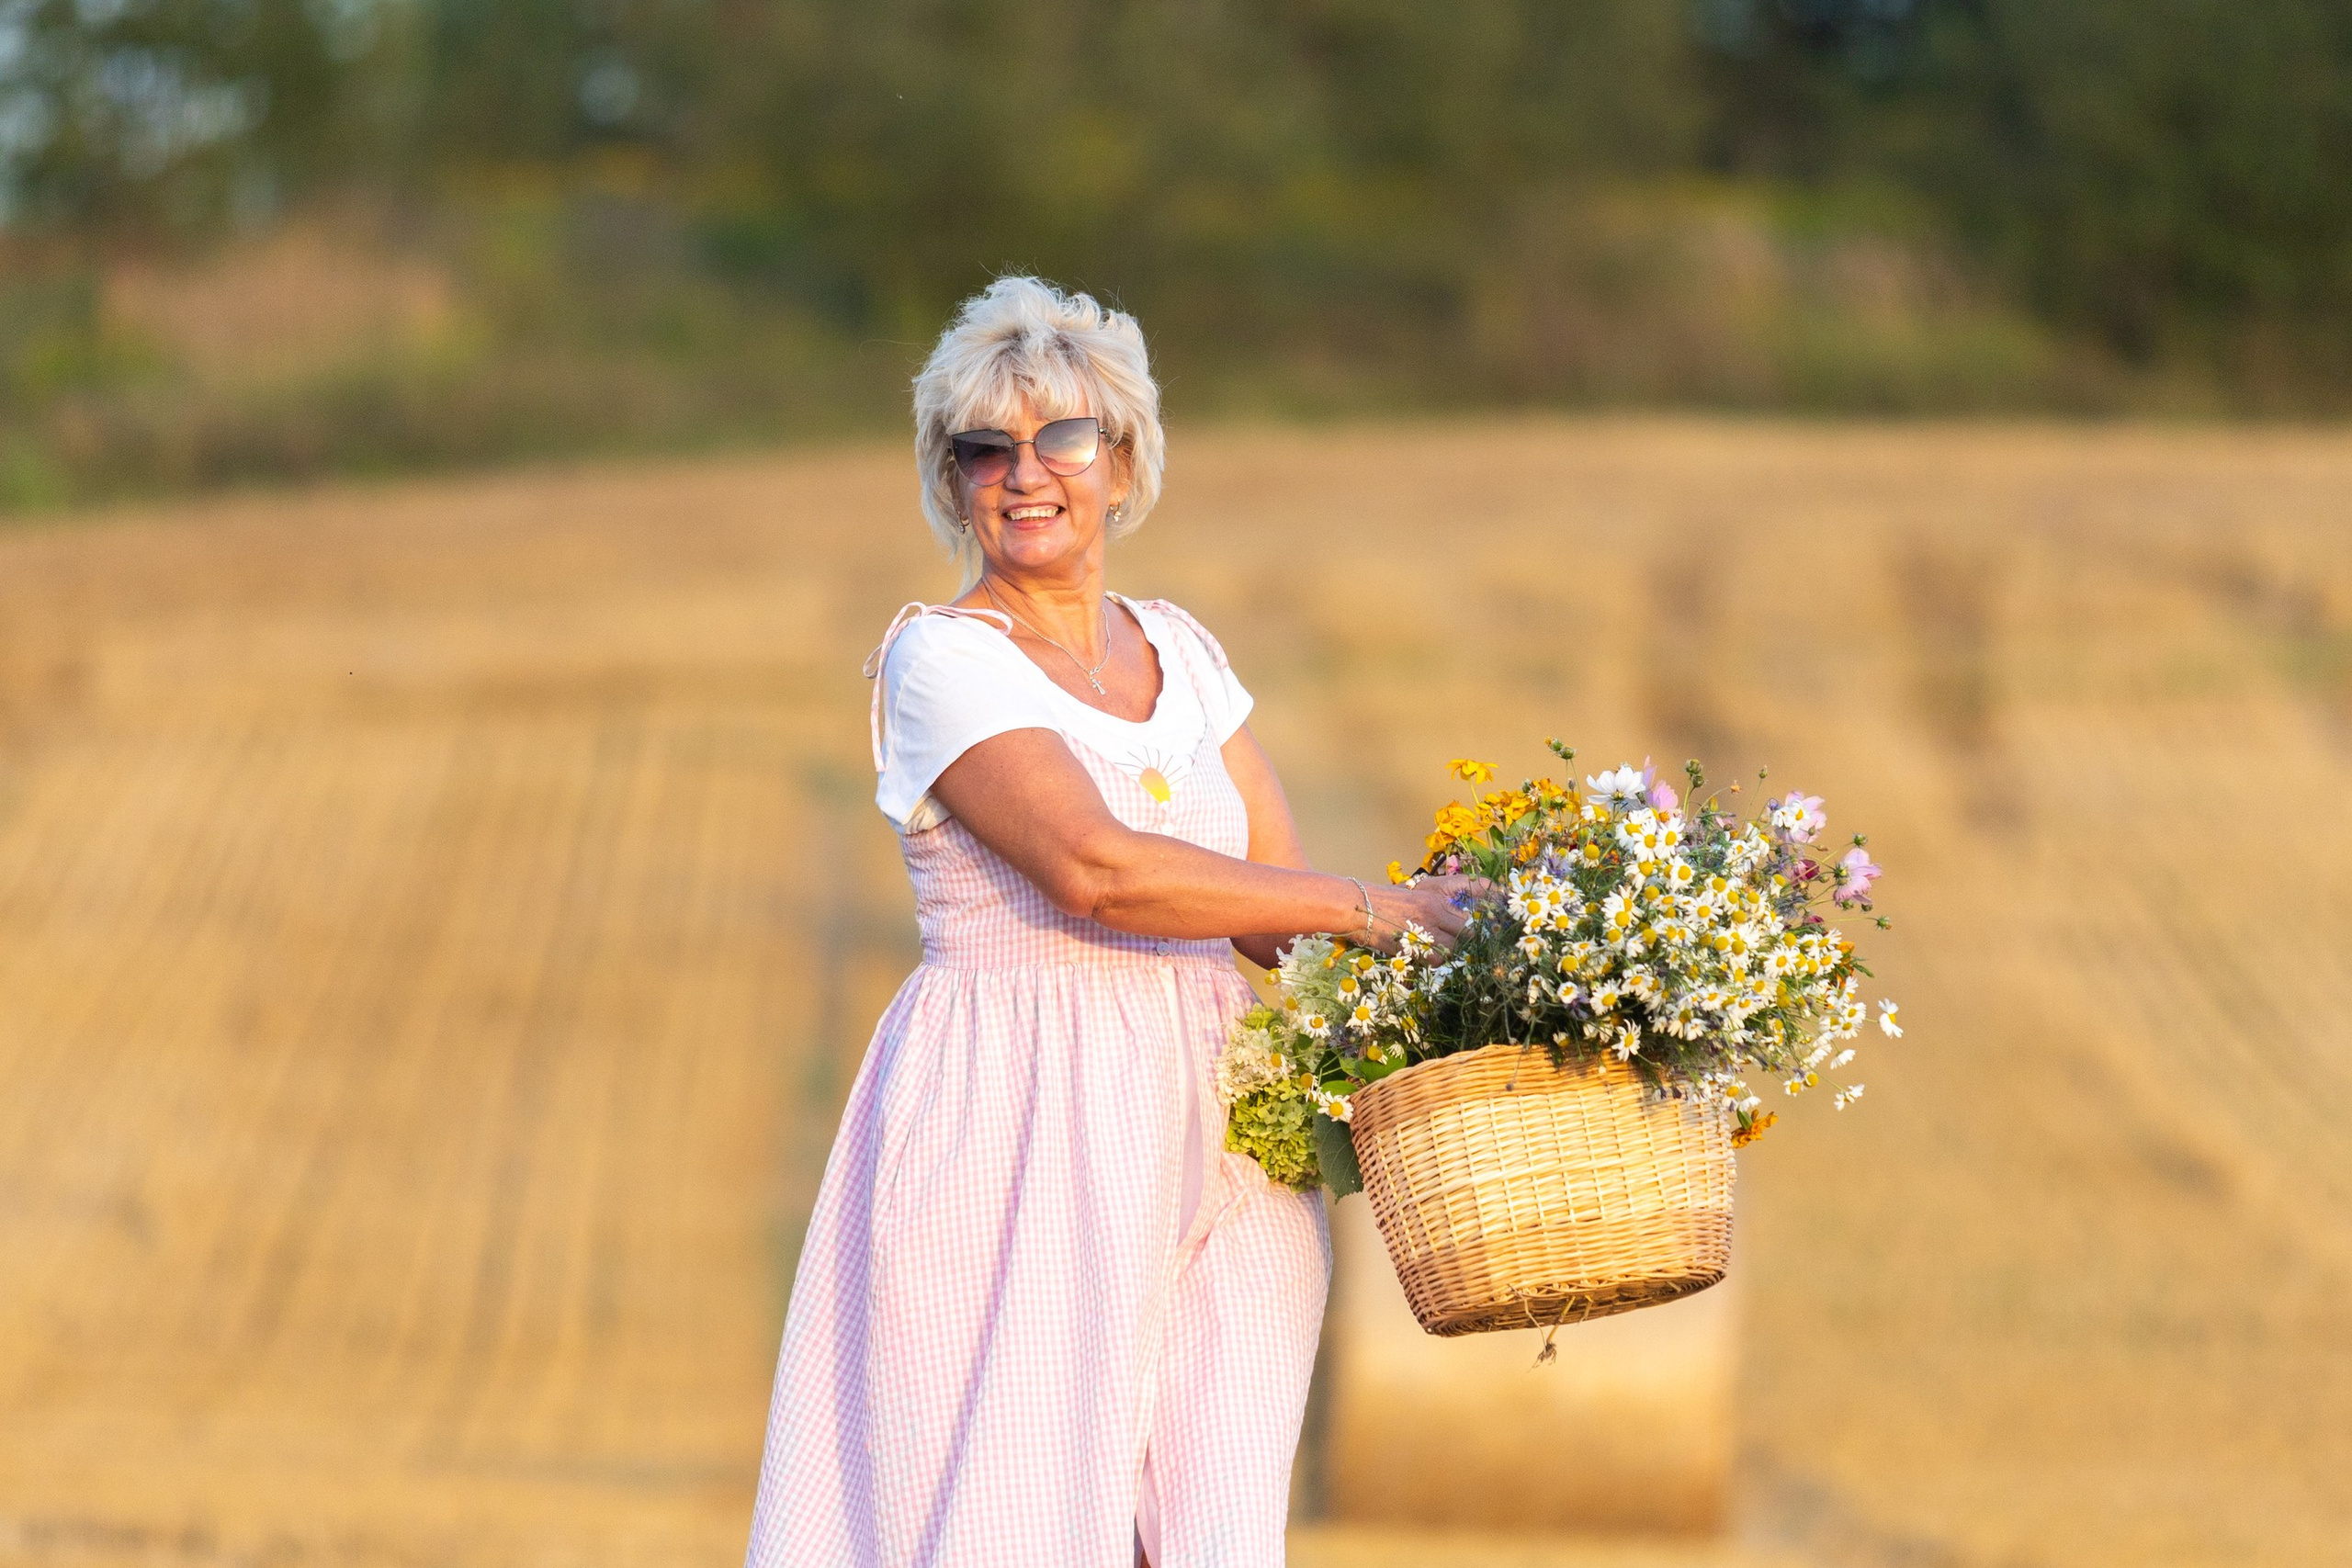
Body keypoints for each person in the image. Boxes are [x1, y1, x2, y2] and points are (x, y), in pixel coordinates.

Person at [743, 276, 1475, 1568]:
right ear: (950, 476)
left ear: (1122, 458)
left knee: (1211, 1528)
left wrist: (1499, 989)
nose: (1026, 475)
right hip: (1024, 1132)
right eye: (986, 450)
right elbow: (1097, 870)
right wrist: (1379, 910)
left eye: (1062, 438)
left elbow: (1270, 912)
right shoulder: (941, 660)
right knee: (1022, 1520)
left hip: (1228, 1135)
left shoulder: (1184, 653)